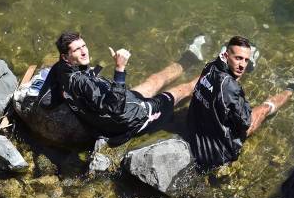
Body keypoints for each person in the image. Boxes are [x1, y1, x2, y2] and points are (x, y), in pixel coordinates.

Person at [42, 31, 205, 144]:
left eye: (83, 46)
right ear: (65, 56)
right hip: (133, 119)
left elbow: (47, 99)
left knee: (155, 80)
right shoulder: (83, 84)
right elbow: (115, 108)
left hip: (122, 101)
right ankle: (220, 68)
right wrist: (119, 68)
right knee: (183, 90)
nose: (84, 52)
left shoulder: (61, 68)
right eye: (77, 50)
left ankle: (190, 58)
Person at [186, 35, 294, 171]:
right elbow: (245, 122)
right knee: (263, 110)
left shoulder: (209, 67)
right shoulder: (231, 89)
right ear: (226, 55)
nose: (242, 65)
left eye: (246, 60)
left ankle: (242, 62)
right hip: (216, 153)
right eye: (238, 58)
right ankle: (293, 88)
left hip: (194, 131)